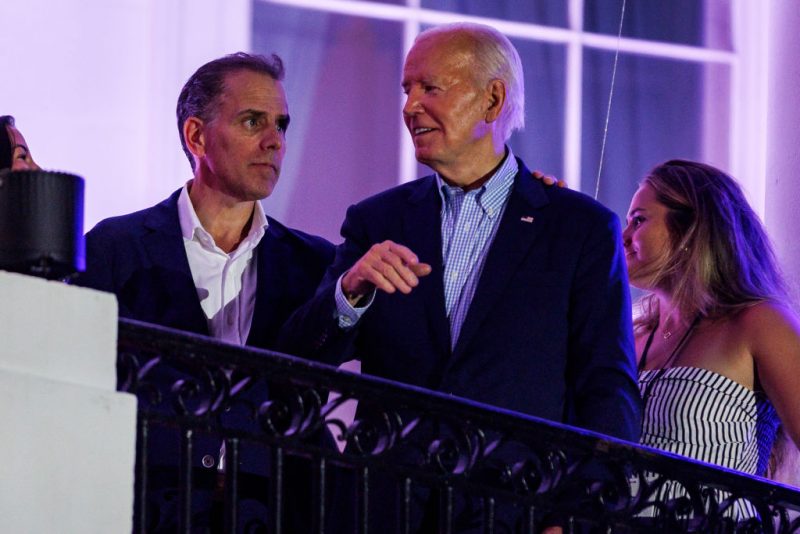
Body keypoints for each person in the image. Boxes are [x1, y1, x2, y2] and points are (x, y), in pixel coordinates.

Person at [279, 22, 642, 531]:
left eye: (430, 88)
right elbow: (297, 357)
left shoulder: (579, 229)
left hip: (516, 514)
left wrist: (581, 514)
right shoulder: (377, 221)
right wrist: (349, 292)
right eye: (407, 90)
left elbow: (607, 387)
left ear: (493, 101)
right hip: (384, 509)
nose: (409, 106)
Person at [77, 52, 335, 531]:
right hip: (143, 506)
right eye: (252, 121)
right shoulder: (115, 247)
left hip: (271, 510)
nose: (274, 141)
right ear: (196, 136)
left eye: (281, 124)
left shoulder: (314, 263)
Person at [622, 159, 800, 519]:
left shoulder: (757, 322)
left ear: (692, 228)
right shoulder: (631, 336)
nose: (623, 236)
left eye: (639, 220)